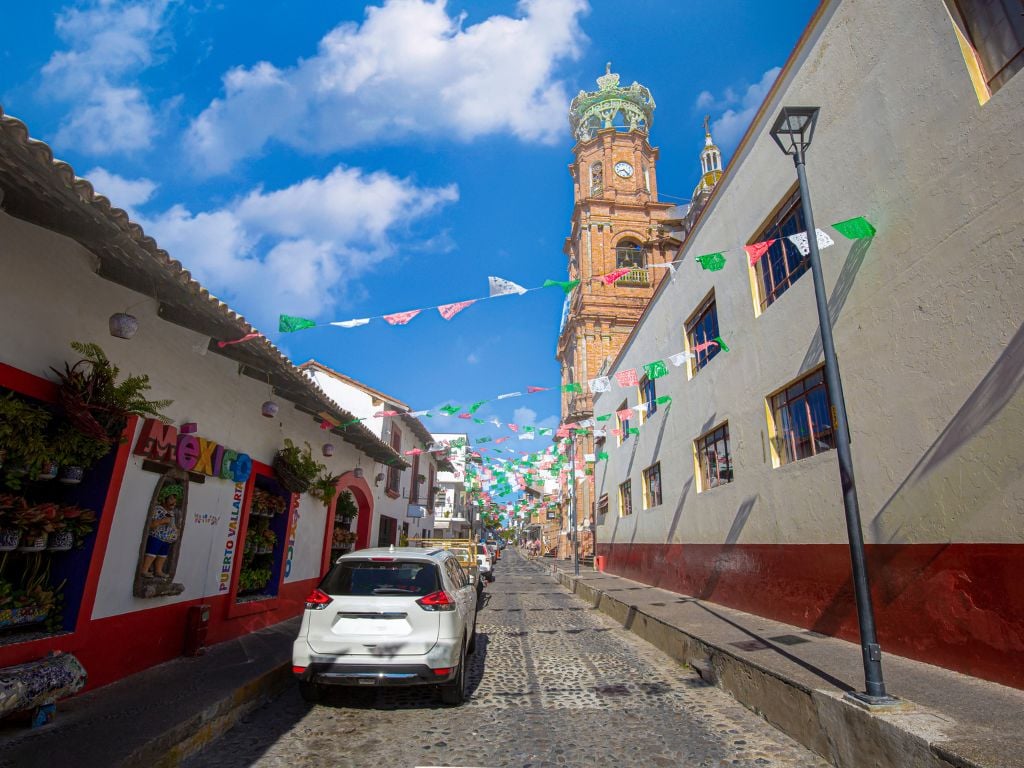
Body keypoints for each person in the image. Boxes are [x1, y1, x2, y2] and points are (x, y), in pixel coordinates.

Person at [141, 483, 182, 579]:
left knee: (162, 555)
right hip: (156, 536)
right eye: (171, 499)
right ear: (164, 499)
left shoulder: (171, 513)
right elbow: (151, 524)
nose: (174, 502)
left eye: (175, 500)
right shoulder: (158, 510)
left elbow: (172, 524)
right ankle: (144, 569)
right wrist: (162, 521)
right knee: (151, 553)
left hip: (167, 539)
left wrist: (176, 531)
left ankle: (158, 570)